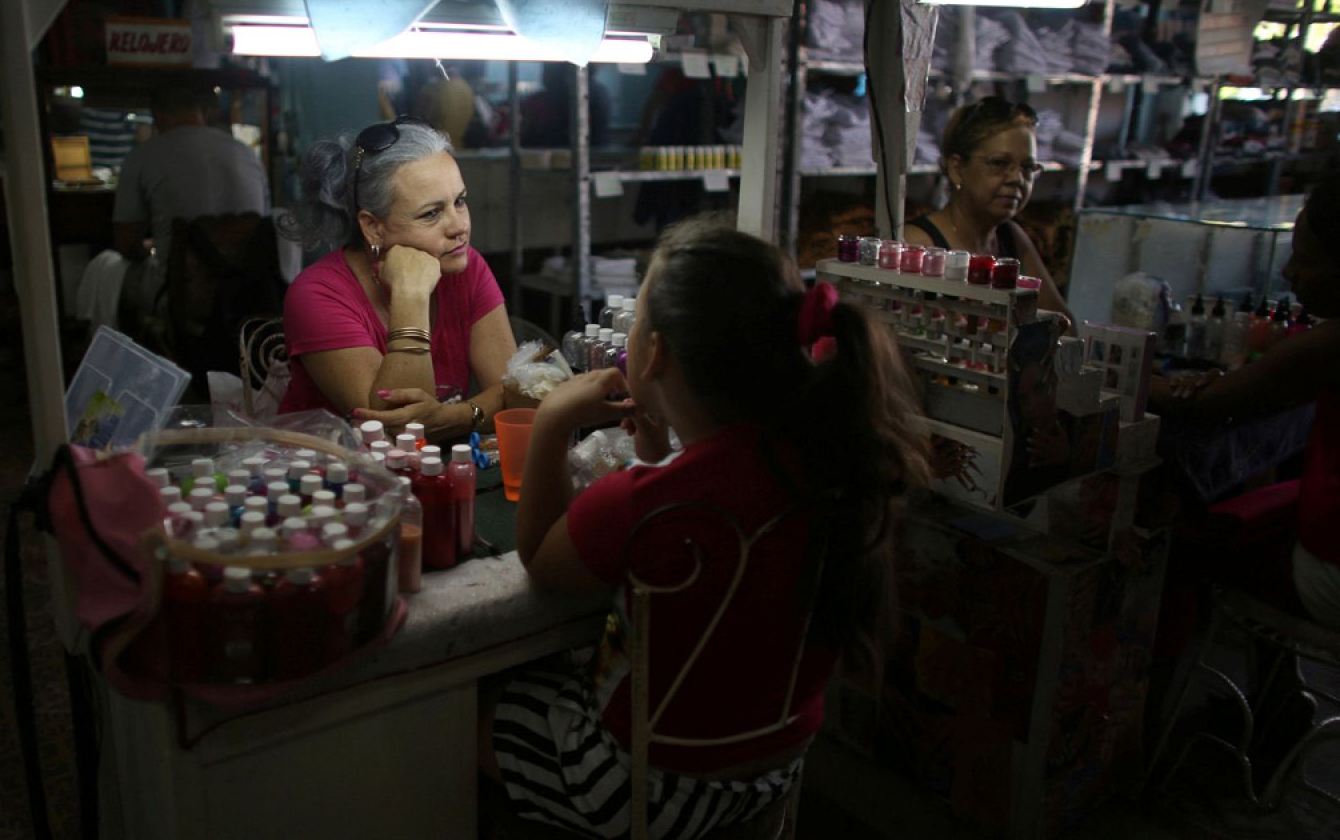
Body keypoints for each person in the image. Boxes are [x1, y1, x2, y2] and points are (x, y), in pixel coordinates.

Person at [479, 215, 931, 837]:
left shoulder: (648, 502)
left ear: (656, 351)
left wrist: (553, 418)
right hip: (771, 773)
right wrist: (659, 445)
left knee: (472, 710)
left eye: (638, 318)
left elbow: (542, 560)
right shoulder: (829, 462)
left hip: (640, 791)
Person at [1151, 174, 1340, 628]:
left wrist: (1125, 376)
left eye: (1305, 260)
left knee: (1170, 546)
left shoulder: (1329, 344)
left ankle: (1158, 685)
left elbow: (1205, 405)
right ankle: (1283, 696)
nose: (1288, 273)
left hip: (1329, 575)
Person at [278, 117, 517, 439]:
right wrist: (410, 295)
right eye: (431, 213)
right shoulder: (317, 295)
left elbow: (516, 392)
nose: (459, 226)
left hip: (435, 469)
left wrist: (455, 416)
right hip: (333, 476)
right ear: (373, 226)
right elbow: (395, 429)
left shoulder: (465, 265)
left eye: (459, 201)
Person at [112, 81, 270, 332]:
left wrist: (150, 251)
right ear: (204, 113)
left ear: (158, 115)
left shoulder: (142, 156)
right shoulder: (246, 154)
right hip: (248, 293)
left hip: (183, 294)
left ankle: (131, 353)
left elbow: (125, 244)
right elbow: (263, 226)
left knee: (108, 271)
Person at [903, 97, 1074, 321]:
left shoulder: (1011, 237)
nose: (1017, 179)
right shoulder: (917, 246)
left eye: (1028, 167)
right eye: (999, 163)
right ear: (957, 169)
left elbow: (1063, 324)